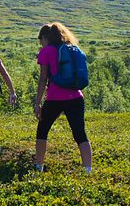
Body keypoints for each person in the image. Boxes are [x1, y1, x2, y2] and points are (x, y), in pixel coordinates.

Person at [34, 22, 92, 173]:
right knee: (80, 134)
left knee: (42, 130)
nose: (41, 43)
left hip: (54, 98)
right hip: (76, 97)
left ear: (45, 37)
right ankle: (88, 170)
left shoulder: (46, 52)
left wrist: (37, 102)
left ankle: (38, 166)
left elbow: (43, 79)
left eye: (41, 40)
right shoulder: (72, 49)